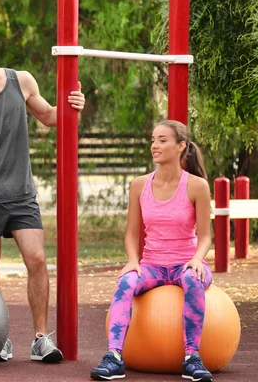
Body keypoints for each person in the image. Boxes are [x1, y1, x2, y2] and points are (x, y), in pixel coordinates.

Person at [0, 28, 86, 363]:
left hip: (22, 194)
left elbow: (50, 117)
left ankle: (40, 338)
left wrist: (73, 108)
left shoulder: (21, 81)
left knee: (36, 260)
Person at [90, 120, 213, 382]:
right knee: (125, 283)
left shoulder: (197, 186)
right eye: (153, 140)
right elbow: (132, 234)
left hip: (186, 264)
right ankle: (114, 357)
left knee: (193, 278)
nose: (154, 146)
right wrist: (133, 261)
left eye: (162, 140)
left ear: (181, 146)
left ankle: (192, 357)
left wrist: (196, 259)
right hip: (152, 265)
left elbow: (205, 236)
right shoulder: (139, 185)